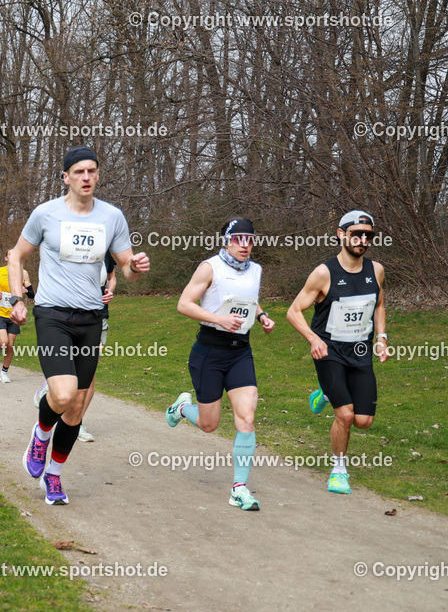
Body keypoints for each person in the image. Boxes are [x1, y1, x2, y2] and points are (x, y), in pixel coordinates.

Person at [10, 146, 150, 506]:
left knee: (76, 408)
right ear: (65, 177)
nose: (86, 177)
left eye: (91, 171)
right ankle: (41, 435)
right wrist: (16, 299)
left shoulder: (112, 217)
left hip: (91, 318)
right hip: (52, 314)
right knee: (62, 394)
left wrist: (136, 266)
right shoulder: (46, 214)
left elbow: (126, 269)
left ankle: (54, 476)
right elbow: (16, 255)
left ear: (98, 175)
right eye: (78, 172)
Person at [164, 219, 275, 511]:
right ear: (226, 241)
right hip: (209, 352)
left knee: (246, 417)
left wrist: (262, 316)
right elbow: (184, 304)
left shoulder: (256, 270)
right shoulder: (209, 268)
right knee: (209, 424)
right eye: (238, 239)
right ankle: (181, 409)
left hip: (240, 352)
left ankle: (239, 488)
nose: (245, 245)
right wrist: (219, 319)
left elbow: (250, 300)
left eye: (250, 239)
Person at [285, 210, 387, 495]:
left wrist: (382, 337)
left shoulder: (376, 270)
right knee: (345, 416)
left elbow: (379, 304)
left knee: (364, 421)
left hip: (360, 352)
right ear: (341, 234)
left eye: (368, 235)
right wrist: (313, 339)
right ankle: (339, 470)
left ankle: (325, 393)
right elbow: (293, 311)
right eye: (356, 234)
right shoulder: (324, 273)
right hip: (329, 352)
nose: (362, 240)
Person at [33, 256, 115, 443]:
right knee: (66, 380)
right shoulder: (66, 246)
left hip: (96, 318)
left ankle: (77, 421)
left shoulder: (107, 248)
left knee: (88, 379)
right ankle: (53, 390)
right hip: (61, 317)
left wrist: (109, 291)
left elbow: (112, 277)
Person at [0, 250, 34, 383]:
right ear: (6, 258)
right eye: (9, 255)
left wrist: (26, 291)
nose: (12, 257)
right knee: (4, 342)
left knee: (10, 345)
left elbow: (32, 294)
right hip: (0, 312)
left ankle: (4, 372)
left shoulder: (24, 273)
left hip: (15, 314)